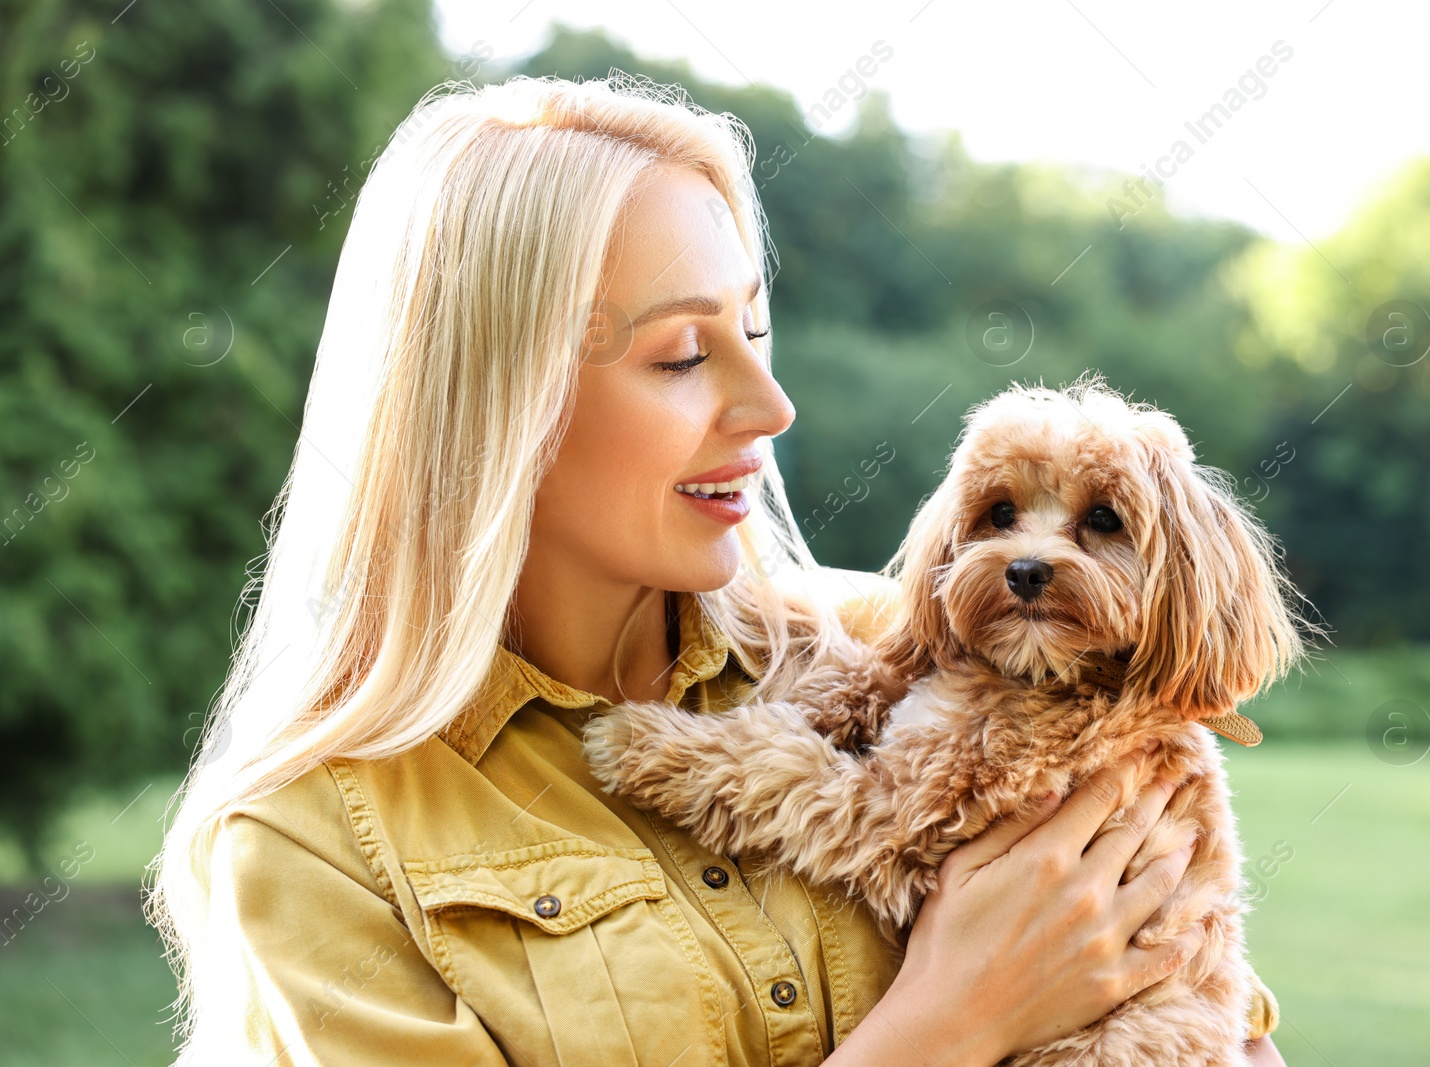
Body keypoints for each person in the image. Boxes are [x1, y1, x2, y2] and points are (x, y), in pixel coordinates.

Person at [148, 74, 1285, 1066]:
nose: (771, 408)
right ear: (496, 405)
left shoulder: (883, 648)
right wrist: (947, 1023)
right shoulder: (313, 845)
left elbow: (1230, 1025)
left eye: (756, 331)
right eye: (684, 353)